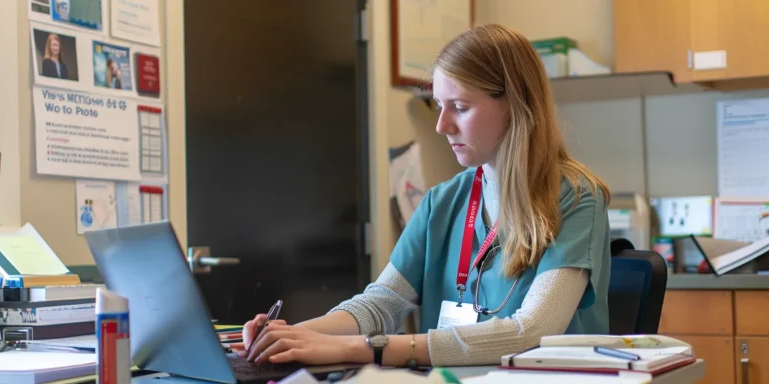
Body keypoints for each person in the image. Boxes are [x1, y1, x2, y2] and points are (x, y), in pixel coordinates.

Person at [233, 23, 612, 368]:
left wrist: (367, 348)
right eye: (438, 105)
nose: (441, 125)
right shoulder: (441, 203)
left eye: (460, 107)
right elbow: (381, 303)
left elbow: (531, 333)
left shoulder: (577, 198)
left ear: (516, 106)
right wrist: (295, 335)